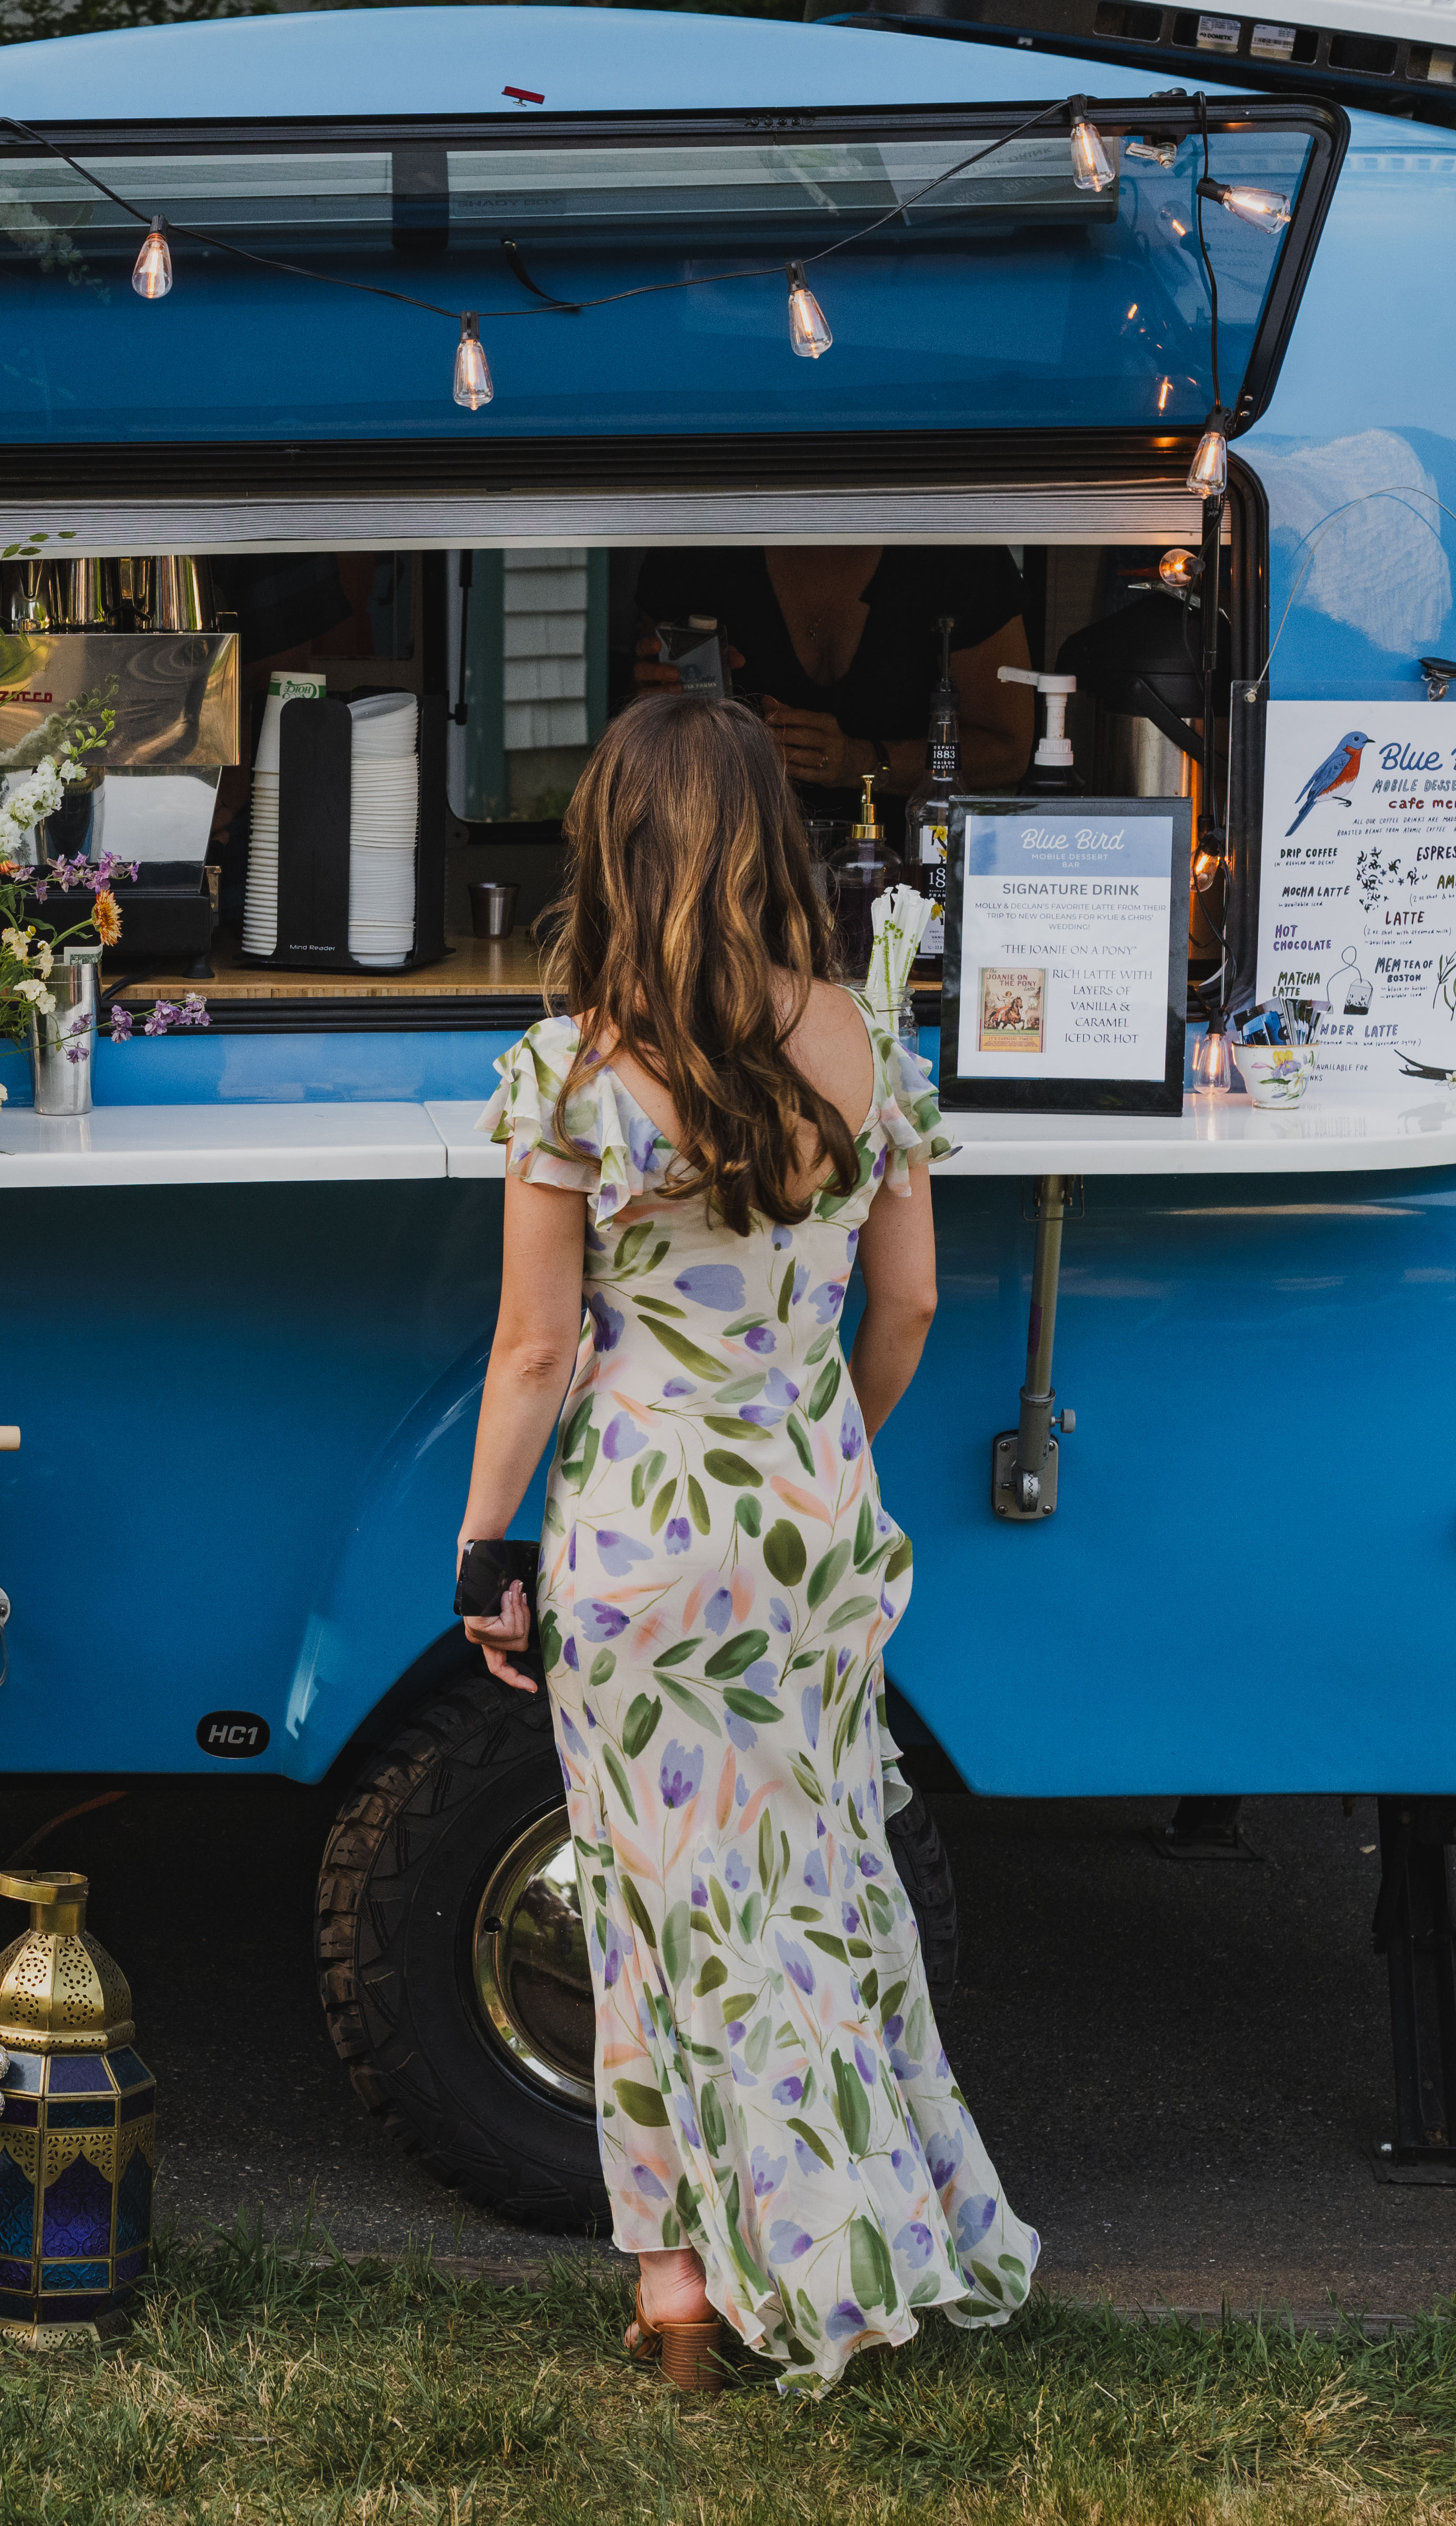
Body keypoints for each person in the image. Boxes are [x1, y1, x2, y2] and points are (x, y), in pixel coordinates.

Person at [456, 691, 1036, 2395]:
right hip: (806, 1518)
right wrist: (822, 1431)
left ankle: (681, 2293)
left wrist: (486, 1550)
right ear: (773, 843)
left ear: (612, 855)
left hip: (642, 1535)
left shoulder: (571, 1076)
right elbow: (913, 1301)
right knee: (823, 1885)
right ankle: (875, 2230)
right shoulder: (872, 1044)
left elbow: (534, 1353)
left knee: (659, 1911)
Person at [629, 546, 1037, 814]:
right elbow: (648, 747)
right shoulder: (698, 551)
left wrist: (863, 763)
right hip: (730, 866)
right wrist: (657, 708)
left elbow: (1008, 752)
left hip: (911, 871)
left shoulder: (953, 555)